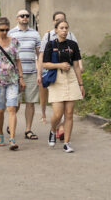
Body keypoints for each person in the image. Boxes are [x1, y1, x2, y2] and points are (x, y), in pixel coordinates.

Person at [42, 19, 84, 153]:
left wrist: (80, 84)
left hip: (71, 77)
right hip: (57, 78)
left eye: (66, 28)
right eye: (61, 28)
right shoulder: (50, 44)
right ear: (56, 30)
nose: (64, 30)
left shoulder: (73, 45)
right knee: (58, 114)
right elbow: (45, 64)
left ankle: (67, 142)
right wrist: (59, 65)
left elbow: (77, 66)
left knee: (69, 113)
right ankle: (53, 130)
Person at [0, 16, 24, 150]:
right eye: (2, 30)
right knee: (0, 110)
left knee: (12, 108)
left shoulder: (14, 42)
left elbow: (18, 60)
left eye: (7, 29)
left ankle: (12, 139)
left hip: (12, 80)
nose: (5, 32)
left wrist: (21, 77)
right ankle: (0, 134)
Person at [38, 11, 78, 132]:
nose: (64, 28)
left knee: (68, 107)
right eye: (57, 20)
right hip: (51, 72)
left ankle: (62, 128)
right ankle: (44, 114)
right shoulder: (48, 37)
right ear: (54, 23)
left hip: (67, 74)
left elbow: (77, 55)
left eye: (63, 20)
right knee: (53, 102)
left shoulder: (70, 36)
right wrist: (39, 73)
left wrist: (79, 68)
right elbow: (41, 56)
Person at [7, 9, 41, 141]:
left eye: (27, 16)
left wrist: (39, 72)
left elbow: (39, 54)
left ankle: (28, 129)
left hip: (31, 72)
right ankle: (11, 123)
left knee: (30, 102)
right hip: (15, 74)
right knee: (15, 103)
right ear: (17, 18)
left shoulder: (35, 34)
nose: (25, 18)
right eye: (22, 16)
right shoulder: (11, 33)